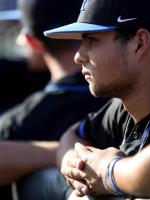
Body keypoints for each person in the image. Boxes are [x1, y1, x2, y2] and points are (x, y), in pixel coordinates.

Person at [44, 0, 150, 199]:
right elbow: (71, 135)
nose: (79, 56)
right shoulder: (129, 103)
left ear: (139, 44)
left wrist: (108, 171)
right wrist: (74, 164)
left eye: (91, 40)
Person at [0, 0, 109, 198]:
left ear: (32, 40)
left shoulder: (18, 122)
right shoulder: (125, 94)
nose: (19, 41)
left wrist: (65, 152)